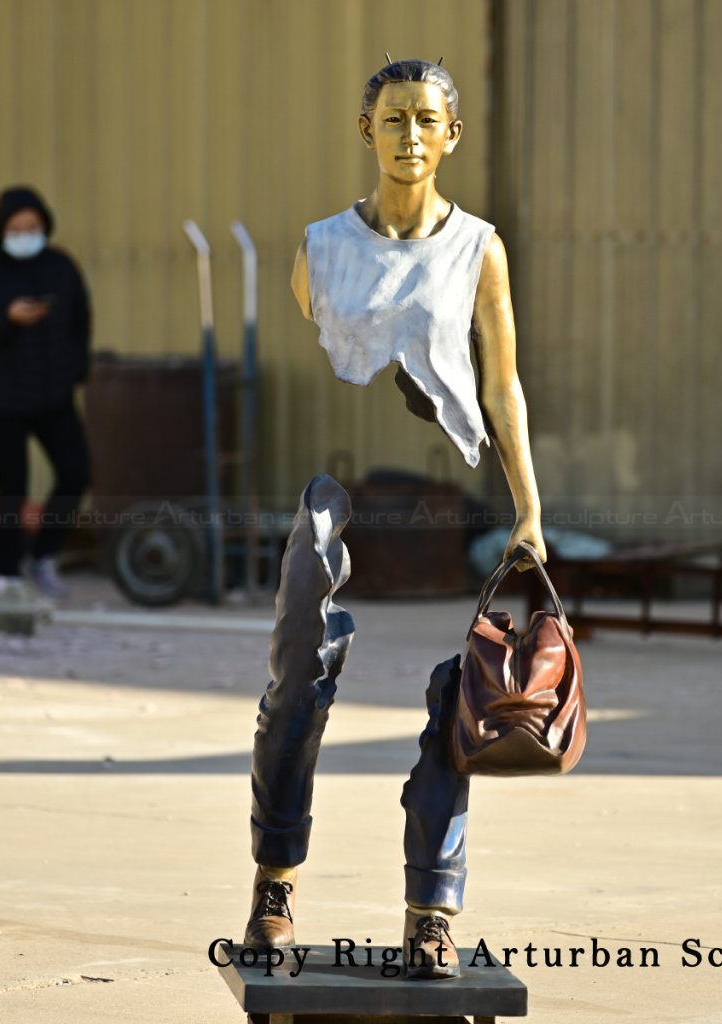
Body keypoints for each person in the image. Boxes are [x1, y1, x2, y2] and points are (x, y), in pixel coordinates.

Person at [244, 60, 546, 978]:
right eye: (393, 118)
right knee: (297, 687)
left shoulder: (480, 249)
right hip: (332, 500)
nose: (409, 135)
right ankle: (274, 884)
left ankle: (431, 911)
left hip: (443, 503)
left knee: (459, 698)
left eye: (425, 119)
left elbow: (500, 384)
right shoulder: (319, 248)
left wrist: (529, 508)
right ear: (365, 130)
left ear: (451, 135)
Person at [0, 185, 92, 599]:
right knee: (12, 484)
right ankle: (6, 572)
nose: (25, 235)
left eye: (32, 227)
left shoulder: (61, 268)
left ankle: (44, 555)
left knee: (76, 473)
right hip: (3, 400)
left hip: (54, 397)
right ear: (1, 230)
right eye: (16, 229)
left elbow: (81, 320)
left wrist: (75, 372)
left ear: (45, 225)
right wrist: (7, 319)